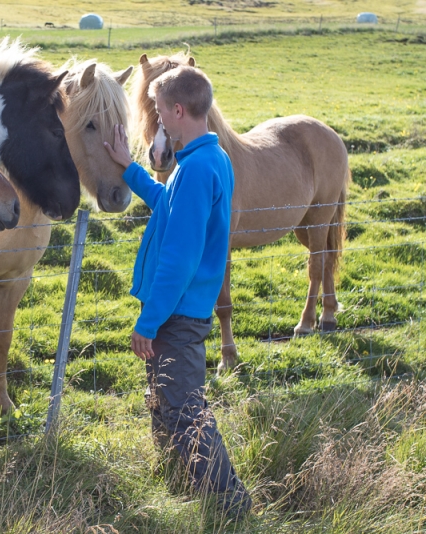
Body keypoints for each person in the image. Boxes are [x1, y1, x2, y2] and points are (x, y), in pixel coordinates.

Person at [103, 65, 252, 519]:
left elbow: (180, 258)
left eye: (161, 113)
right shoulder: (207, 160)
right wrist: (129, 169)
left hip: (177, 316)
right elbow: (167, 203)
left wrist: (148, 321)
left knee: (186, 413)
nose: (159, 122)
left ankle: (231, 506)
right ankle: (179, 484)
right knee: (165, 405)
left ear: (179, 110)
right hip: (181, 312)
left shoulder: (195, 169)